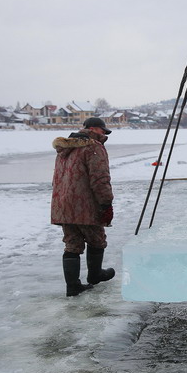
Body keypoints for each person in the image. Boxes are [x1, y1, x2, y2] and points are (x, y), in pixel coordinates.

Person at [51, 117, 116, 297]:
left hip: (63, 204)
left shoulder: (64, 148)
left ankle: (73, 286)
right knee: (97, 239)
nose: (105, 135)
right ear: (94, 129)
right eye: (104, 131)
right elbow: (100, 179)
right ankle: (95, 275)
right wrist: (106, 203)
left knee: (72, 244)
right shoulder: (94, 147)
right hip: (85, 204)